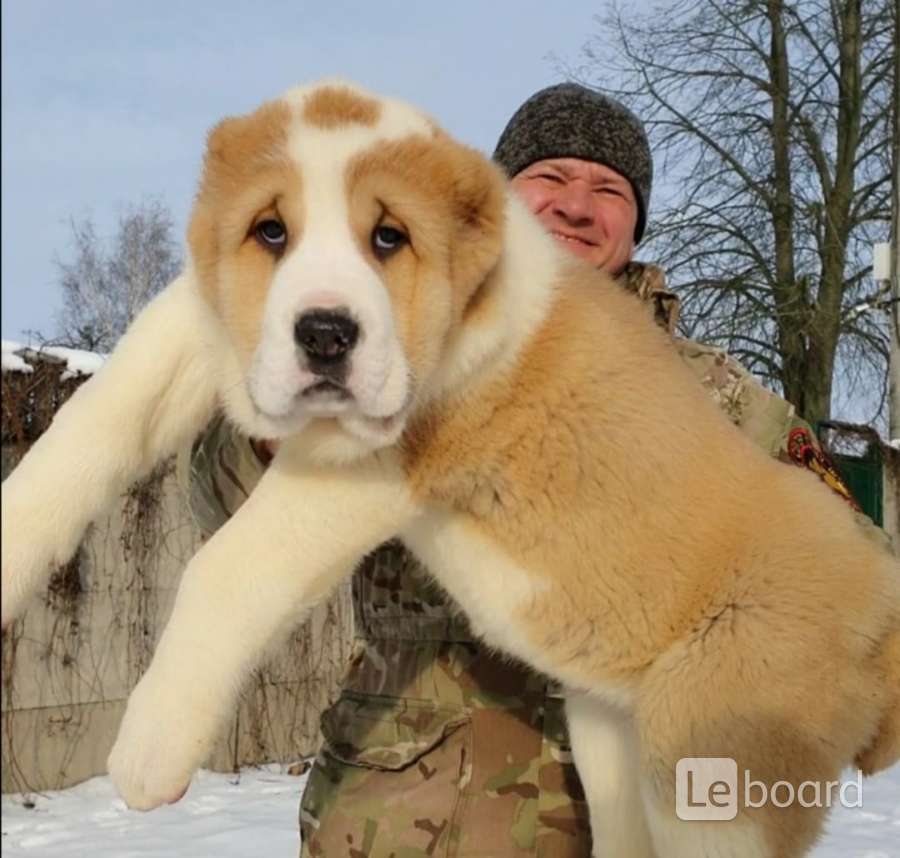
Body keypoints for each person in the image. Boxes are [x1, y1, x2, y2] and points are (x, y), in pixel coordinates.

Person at [183, 83, 885, 857]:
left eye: (609, 190)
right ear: (494, 199)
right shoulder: (380, 339)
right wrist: (283, 436)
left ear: (635, 222)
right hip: (405, 813)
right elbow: (225, 506)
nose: (578, 206)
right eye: (550, 177)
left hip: (638, 815)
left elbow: (846, 563)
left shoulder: (714, 392)